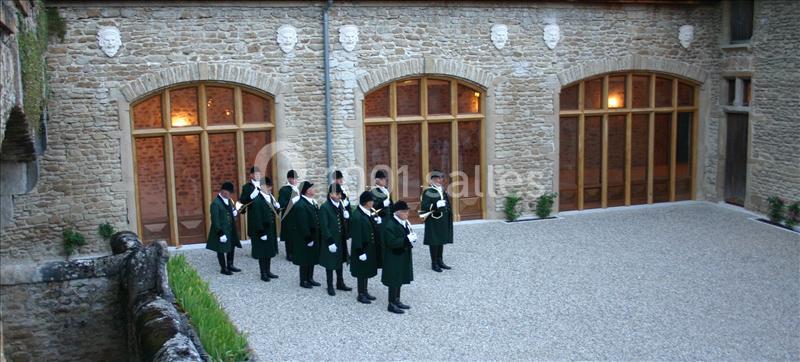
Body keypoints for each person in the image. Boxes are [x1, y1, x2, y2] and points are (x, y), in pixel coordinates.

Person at [239, 169, 280, 282]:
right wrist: (261, 232)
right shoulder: (252, 192)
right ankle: (263, 273)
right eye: (268, 186)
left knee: (269, 250)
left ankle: (268, 271)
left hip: (269, 226)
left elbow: (273, 210)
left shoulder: (269, 196)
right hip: (260, 224)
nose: (270, 188)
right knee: (262, 251)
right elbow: (254, 214)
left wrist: (277, 207)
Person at [380, 200, 416, 314]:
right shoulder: (390, 224)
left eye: (407, 211)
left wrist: (411, 237)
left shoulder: (403, 222)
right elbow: (391, 242)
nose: (407, 214)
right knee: (393, 280)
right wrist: (406, 239)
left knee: (399, 277)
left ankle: (397, 300)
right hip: (393, 256)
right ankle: (391, 303)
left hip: (402, 255)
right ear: (397, 212)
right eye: (405, 212)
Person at [318, 183, 352, 296]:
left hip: (340, 238)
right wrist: (330, 242)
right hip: (331, 240)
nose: (339, 196)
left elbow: (342, 223)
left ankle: (340, 283)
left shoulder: (340, 205)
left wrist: (347, 217)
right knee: (330, 262)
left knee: (340, 260)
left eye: (340, 194)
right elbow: (324, 226)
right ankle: (330, 285)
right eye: (337, 194)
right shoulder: (325, 207)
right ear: (331, 194)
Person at [350, 191, 381, 304]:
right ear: (367, 202)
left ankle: (365, 291)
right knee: (361, 272)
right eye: (371, 201)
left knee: (366, 270)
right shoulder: (357, 216)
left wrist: (376, 223)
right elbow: (357, 235)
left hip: (368, 247)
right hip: (362, 248)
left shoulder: (367, 212)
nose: (373, 203)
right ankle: (360, 294)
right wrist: (360, 251)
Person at [420, 171, 454, 272]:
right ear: (432, 180)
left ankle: (440, 260)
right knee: (434, 241)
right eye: (437, 178)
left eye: (441, 178)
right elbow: (424, 207)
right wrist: (436, 205)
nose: (440, 180)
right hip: (433, 220)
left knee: (441, 240)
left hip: (443, 219)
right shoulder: (428, 191)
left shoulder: (442, 189)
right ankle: (434, 263)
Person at [205, 181, 242, 275]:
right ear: (223, 192)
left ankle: (230, 264)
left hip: (230, 229)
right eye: (229, 193)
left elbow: (230, 211)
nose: (230, 195)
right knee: (220, 249)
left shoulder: (229, 200)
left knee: (231, 246)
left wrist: (234, 213)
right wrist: (220, 233)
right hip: (221, 230)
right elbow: (215, 220)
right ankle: (223, 268)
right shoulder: (215, 203)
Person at [290, 181, 322, 289]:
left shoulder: (311, 202)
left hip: (313, 235)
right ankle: (303, 280)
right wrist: (308, 238)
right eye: (312, 188)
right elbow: (302, 223)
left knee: (311, 257)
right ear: (307, 191)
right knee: (304, 258)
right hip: (305, 237)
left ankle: (310, 278)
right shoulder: (300, 205)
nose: (314, 189)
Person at [369, 170, 392, 269]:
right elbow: (372, 206)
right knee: (380, 240)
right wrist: (383, 204)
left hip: (388, 218)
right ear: (377, 180)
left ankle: (387, 258)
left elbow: (390, 203)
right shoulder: (374, 191)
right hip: (380, 218)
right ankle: (380, 262)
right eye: (382, 179)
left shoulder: (385, 190)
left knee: (387, 239)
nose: (384, 181)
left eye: (385, 179)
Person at [278, 170, 300, 261]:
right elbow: (281, 203)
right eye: (293, 178)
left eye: (296, 178)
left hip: (297, 215)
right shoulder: (284, 189)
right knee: (289, 235)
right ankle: (289, 253)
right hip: (288, 216)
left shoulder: (297, 189)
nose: (295, 180)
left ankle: (296, 252)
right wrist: (292, 201)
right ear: (289, 179)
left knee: (296, 235)